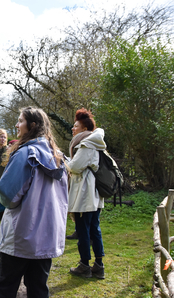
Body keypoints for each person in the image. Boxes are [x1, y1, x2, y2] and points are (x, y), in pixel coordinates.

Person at [0, 107, 68, 298]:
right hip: (47, 235)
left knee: (5, 288)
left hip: (22, 235)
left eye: (20, 121)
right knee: (38, 288)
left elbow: (8, 194)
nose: (16, 125)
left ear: (32, 125)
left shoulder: (26, 153)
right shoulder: (58, 156)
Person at [67, 108, 106, 279]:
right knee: (94, 229)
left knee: (83, 230)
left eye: (75, 126)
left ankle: (84, 266)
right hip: (94, 194)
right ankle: (98, 265)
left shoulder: (86, 144)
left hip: (85, 194)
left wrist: (65, 162)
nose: (72, 129)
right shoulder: (95, 143)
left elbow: (75, 167)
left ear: (84, 129)